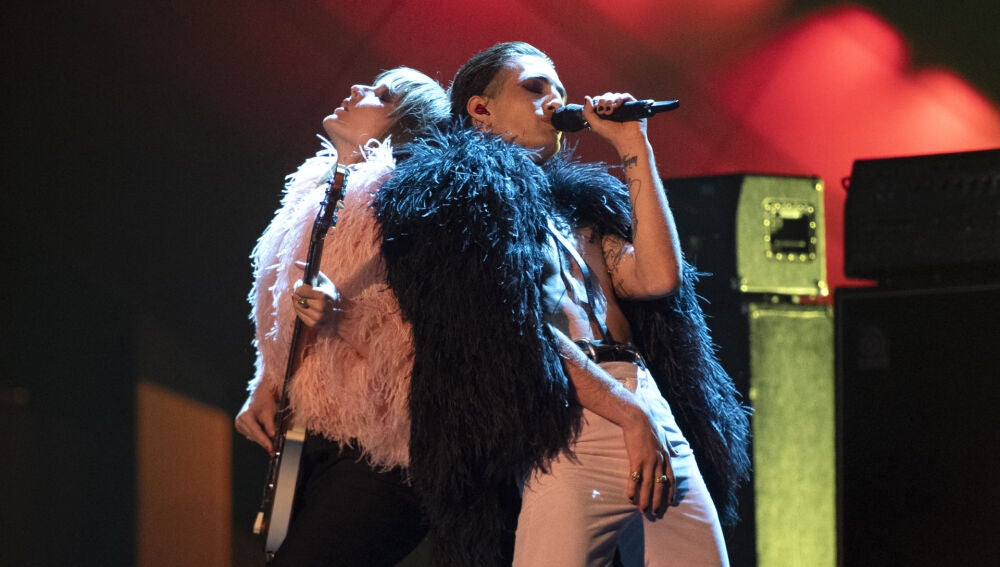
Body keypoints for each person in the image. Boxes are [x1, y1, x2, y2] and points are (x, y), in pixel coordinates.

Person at [375, 42, 751, 566]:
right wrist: (627, 414)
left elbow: (658, 278)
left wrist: (634, 144)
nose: (554, 100)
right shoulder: (459, 201)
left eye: (559, 90)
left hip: (647, 405)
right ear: (480, 109)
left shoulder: (579, 209)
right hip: (571, 419)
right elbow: (509, 327)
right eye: (534, 88)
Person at [234, 66, 450, 566]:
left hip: (384, 457)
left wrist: (342, 314)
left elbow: (425, 348)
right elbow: (281, 313)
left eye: (382, 94)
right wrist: (267, 383)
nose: (357, 89)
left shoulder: (409, 210)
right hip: (312, 438)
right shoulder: (311, 197)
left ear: (405, 127)